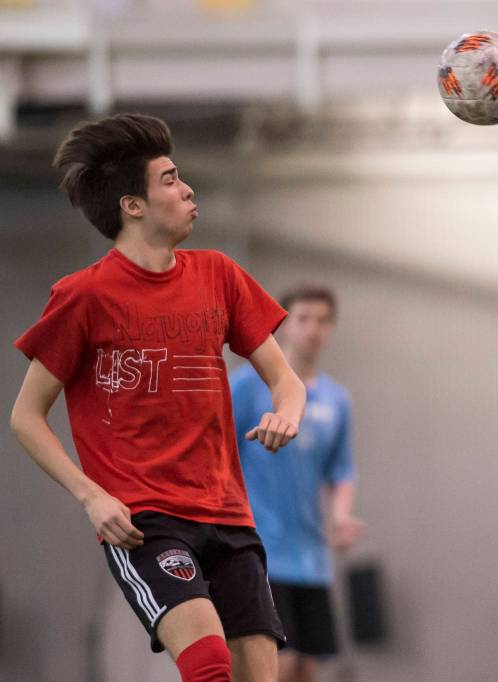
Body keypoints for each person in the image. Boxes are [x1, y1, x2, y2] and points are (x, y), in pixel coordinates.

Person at [9, 113, 306, 682]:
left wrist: (286, 415)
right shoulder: (83, 296)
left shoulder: (219, 275)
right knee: (210, 666)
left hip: (229, 515)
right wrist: (92, 497)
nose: (188, 188)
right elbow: (25, 417)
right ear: (133, 206)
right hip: (146, 521)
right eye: (170, 179)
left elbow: (285, 379)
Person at [231, 283, 364, 682]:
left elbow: (340, 470)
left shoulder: (337, 401)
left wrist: (341, 516)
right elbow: (217, 451)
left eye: (323, 321)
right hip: (259, 551)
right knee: (275, 664)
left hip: (311, 559)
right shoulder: (247, 386)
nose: (313, 329)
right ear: (284, 325)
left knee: (306, 668)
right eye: (303, 318)